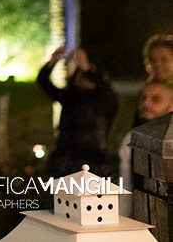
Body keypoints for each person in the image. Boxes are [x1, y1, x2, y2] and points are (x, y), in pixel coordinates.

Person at [38, 46, 120, 177]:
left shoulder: (104, 99)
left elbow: (105, 90)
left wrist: (87, 69)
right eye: (79, 75)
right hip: (64, 157)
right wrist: (53, 61)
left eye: (87, 76)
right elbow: (43, 82)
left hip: (93, 159)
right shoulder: (70, 97)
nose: (82, 79)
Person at [119, 79, 173, 189]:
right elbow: (126, 186)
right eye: (143, 98)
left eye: (156, 99)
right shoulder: (131, 138)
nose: (146, 104)